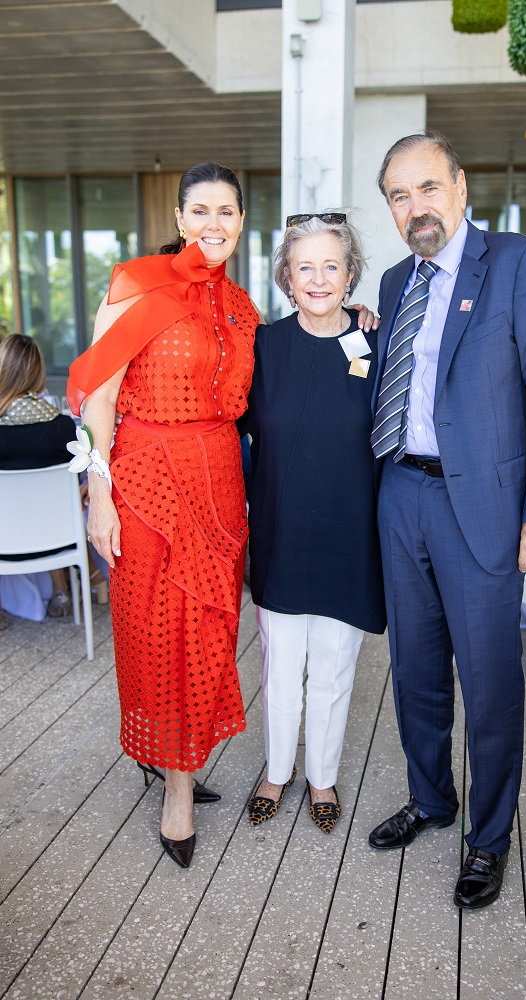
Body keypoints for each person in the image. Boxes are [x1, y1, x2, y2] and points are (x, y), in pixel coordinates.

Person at [367, 133, 526, 908]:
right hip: (401, 493)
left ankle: (487, 838)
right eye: (398, 195)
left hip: (484, 508)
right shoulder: (395, 283)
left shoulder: (517, 265)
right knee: (414, 669)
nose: (415, 206)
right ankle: (431, 799)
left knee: (489, 681)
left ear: (459, 186)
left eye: (426, 188)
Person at [66, 162, 259, 869]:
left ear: (241, 222)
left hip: (216, 485)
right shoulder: (135, 283)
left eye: (227, 213)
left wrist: (352, 323)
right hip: (145, 480)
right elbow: (99, 398)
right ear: (180, 219)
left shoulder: (242, 306)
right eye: (201, 211)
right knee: (158, 632)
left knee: (208, 629)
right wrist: (98, 492)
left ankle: (177, 760)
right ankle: (177, 786)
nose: (214, 224)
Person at [242, 215, 385, 834]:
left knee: (333, 668)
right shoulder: (264, 346)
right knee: (280, 669)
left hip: (350, 535)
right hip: (281, 531)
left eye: (332, 266)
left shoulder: (374, 342)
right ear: (287, 279)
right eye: (306, 267)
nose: (319, 278)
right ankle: (277, 769)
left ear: (350, 275)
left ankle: (321, 775)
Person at [0, 334, 106, 627]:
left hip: (3, 543)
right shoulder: (61, 427)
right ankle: (62, 588)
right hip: (57, 540)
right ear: (38, 372)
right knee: (70, 495)